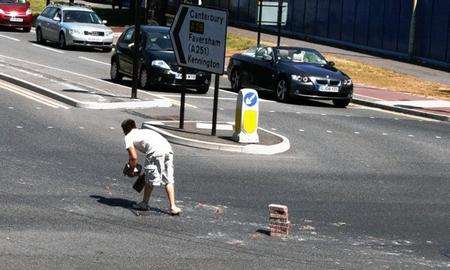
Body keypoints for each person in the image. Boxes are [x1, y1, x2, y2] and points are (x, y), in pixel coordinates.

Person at [121, 119, 181, 215]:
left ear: (124, 130)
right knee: (168, 179)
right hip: (168, 149)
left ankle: (144, 203)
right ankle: (173, 206)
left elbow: (133, 157)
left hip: (155, 152)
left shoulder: (128, 136)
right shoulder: (144, 131)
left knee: (149, 179)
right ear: (135, 126)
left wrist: (132, 170)